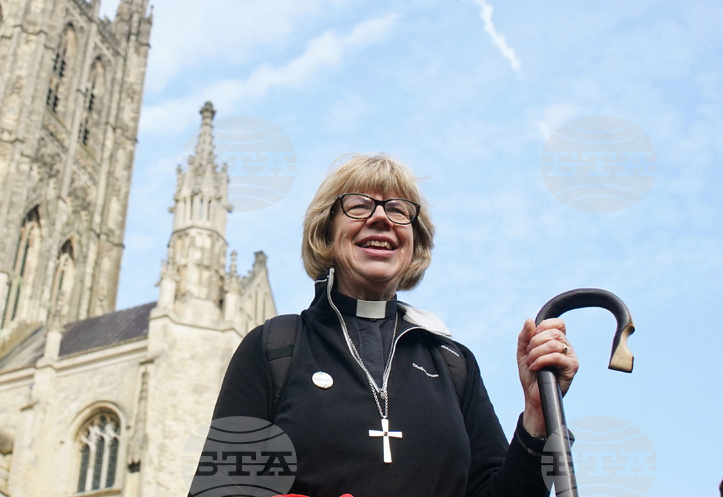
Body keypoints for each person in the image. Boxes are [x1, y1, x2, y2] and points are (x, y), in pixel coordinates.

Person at [191, 153, 580, 497]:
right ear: (327, 232)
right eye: (358, 206)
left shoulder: (453, 363)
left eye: (398, 210)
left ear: (414, 240)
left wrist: (537, 418)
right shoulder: (275, 346)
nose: (381, 218)